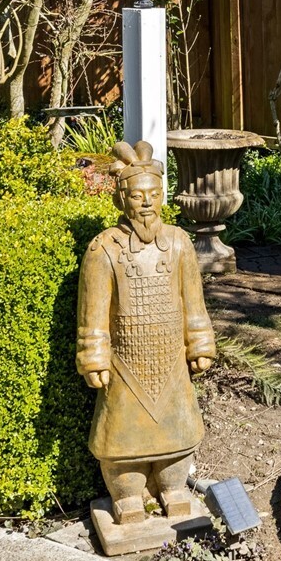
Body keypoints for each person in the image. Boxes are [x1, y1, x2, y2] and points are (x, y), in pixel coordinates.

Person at [76, 139, 216, 525]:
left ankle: (172, 487)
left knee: (177, 433)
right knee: (122, 440)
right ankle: (128, 496)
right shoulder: (104, 249)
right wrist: (94, 356)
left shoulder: (179, 243)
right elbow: (94, 314)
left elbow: (194, 301)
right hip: (124, 363)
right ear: (123, 199)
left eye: (154, 194)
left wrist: (200, 342)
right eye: (138, 196)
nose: (147, 203)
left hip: (171, 360)